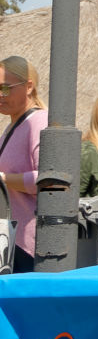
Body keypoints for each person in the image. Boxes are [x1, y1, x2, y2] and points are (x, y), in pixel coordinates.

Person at [0, 56, 48, 273]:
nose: (1, 95)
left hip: (27, 246)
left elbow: (45, 179)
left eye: (5, 88)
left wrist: (3, 180)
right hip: (11, 240)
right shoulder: (11, 128)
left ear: (29, 86)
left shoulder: (38, 121)